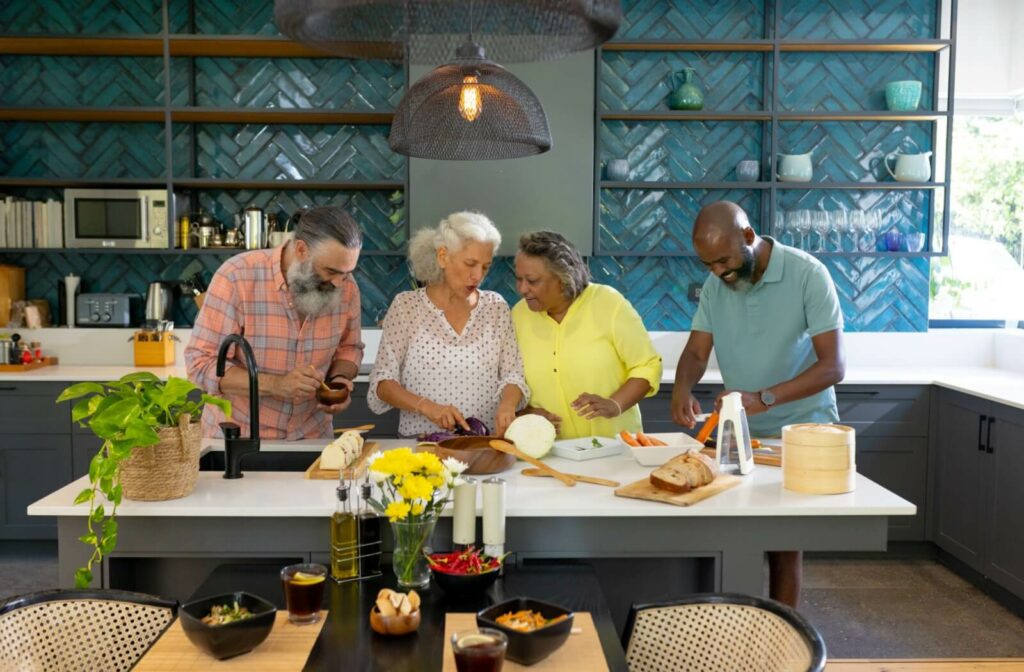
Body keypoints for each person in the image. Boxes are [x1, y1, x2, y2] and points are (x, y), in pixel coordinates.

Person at [671, 201, 846, 608]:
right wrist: (682, 387)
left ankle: (782, 640)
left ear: (749, 237)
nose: (716, 271)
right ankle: (739, 634)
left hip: (801, 434)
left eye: (723, 260)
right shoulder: (718, 284)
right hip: (743, 433)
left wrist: (764, 398)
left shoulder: (807, 274)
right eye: (707, 263)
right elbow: (697, 352)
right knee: (736, 535)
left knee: (785, 546)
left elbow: (833, 366)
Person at [186, 206, 364, 439]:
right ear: (301, 250)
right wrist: (275, 384)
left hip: (312, 437)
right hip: (238, 440)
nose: (340, 283)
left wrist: (338, 381)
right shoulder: (236, 277)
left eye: (347, 273)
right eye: (331, 271)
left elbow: (349, 349)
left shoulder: (347, 287)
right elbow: (200, 365)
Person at [368, 211, 528, 438]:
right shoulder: (407, 306)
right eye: (470, 263)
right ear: (443, 256)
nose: (477, 276)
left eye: (485, 266)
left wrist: (508, 405)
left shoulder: (496, 307)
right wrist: (427, 406)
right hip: (421, 444)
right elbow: (383, 382)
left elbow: (513, 374)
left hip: (483, 445)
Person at [511, 230, 662, 439]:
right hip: (548, 453)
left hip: (613, 450)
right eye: (518, 279)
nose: (522, 288)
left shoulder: (608, 303)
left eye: (532, 281)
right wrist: (526, 412)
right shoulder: (518, 315)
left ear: (563, 279)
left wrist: (615, 404)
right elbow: (510, 378)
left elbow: (647, 365)